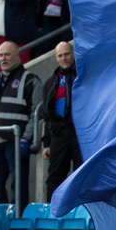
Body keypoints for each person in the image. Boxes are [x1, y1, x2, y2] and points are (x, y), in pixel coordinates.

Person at [0, 41, 42, 208]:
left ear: (16, 56)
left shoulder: (30, 80)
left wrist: (26, 138)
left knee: (18, 186)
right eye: (0, 55)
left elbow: (37, 112)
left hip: (16, 141)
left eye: (7, 55)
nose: (3, 59)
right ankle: (4, 221)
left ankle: (17, 223)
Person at [40, 41, 80, 202]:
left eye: (67, 54)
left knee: (81, 174)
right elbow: (47, 115)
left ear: (73, 54)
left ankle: (83, 212)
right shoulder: (50, 83)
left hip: (79, 133)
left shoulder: (82, 76)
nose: (64, 58)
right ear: (56, 58)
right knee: (55, 177)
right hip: (58, 134)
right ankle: (53, 213)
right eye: (60, 55)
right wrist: (46, 143)